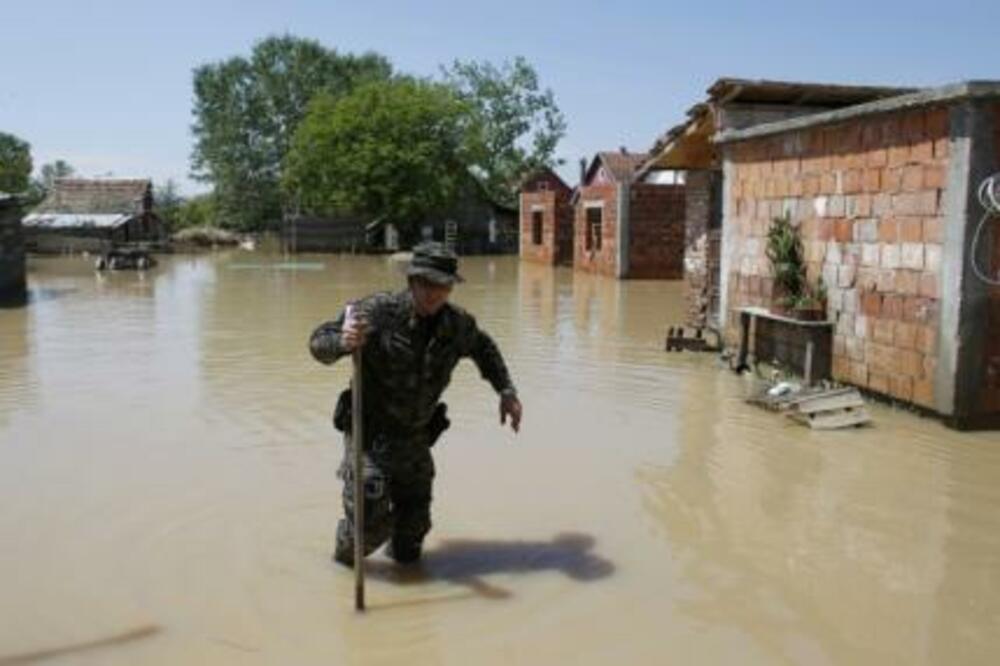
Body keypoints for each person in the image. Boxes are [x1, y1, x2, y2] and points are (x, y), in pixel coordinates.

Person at [309, 242, 523, 566]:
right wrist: (343, 341)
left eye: (443, 286)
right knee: (368, 530)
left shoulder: (457, 324)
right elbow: (318, 342)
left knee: (412, 540)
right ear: (412, 282)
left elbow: (484, 349)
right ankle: (344, 553)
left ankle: (403, 571)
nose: (434, 294)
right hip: (371, 435)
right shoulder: (379, 311)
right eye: (427, 284)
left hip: (415, 438)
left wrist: (506, 392)